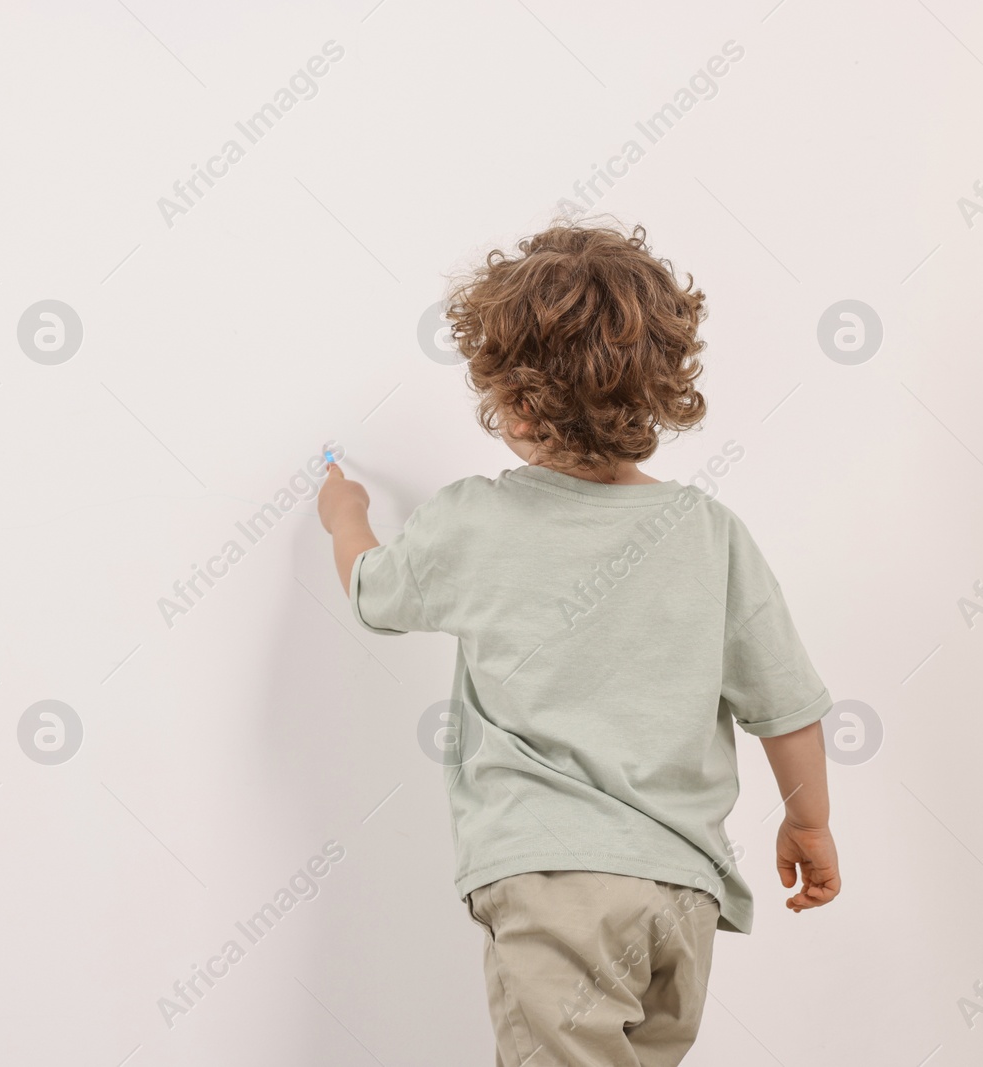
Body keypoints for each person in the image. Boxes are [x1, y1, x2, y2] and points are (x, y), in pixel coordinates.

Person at [316, 220, 840, 1066]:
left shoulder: (477, 519)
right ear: (661, 388)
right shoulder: (710, 535)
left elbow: (375, 593)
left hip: (552, 883)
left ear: (514, 399)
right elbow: (786, 703)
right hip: (683, 897)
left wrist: (346, 517)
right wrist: (808, 821)